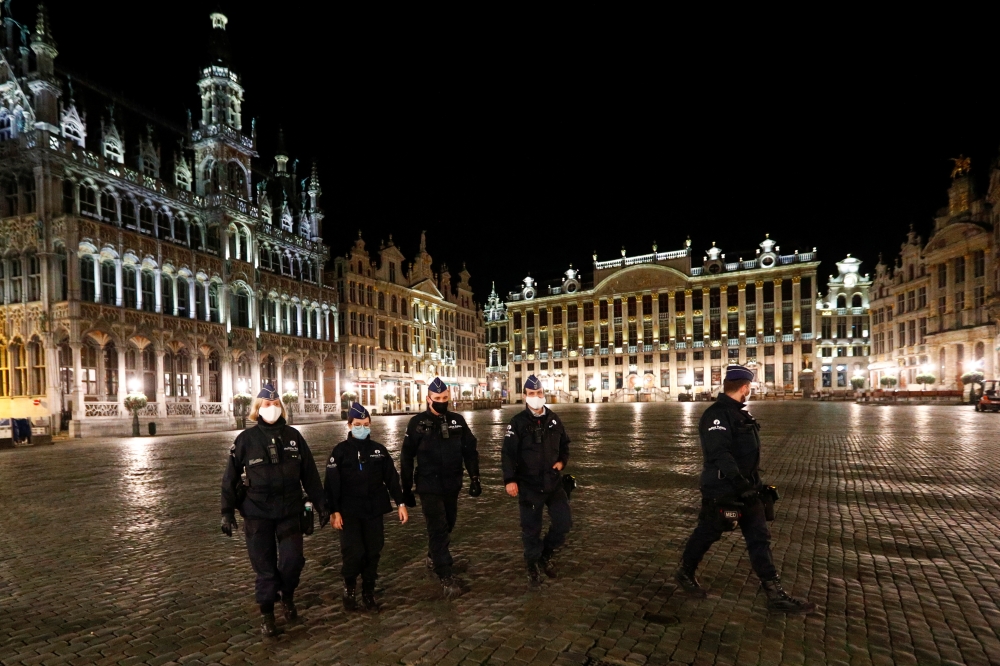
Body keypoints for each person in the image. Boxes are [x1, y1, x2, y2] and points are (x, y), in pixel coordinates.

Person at [675, 366, 816, 613]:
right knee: (708, 532)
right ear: (744, 387)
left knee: (759, 539)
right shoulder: (716, 416)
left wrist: (756, 487)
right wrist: (740, 484)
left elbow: (747, 456)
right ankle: (685, 571)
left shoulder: (739, 414)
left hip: (748, 489)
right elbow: (720, 453)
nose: (749, 391)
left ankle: (775, 594)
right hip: (722, 489)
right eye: (749, 388)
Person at [220, 383, 328, 637]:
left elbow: (309, 474)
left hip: (290, 509)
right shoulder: (245, 439)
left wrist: (322, 504)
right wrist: (226, 512)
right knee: (265, 567)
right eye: (267, 405)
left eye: (276, 404)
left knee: (293, 561)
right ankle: (267, 613)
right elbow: (230, 478)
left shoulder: (293, 437)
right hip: (257, 512)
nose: (272, 408)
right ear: (257, 409)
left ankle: (287, 595)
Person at [401, 377, 481, 598]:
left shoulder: (457, 421)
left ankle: (433, 554)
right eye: (437, 399)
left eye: (445, 398)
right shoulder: (417, 423)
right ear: (428, 399)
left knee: (449, 523)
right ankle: (445, 573)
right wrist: (405, 489)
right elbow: (407, 457)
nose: (442, 402)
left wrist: (475, 477)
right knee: (437, 527)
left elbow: (470, 450)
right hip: (428, 484)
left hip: (452, 483)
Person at [325, 402, 408, 612]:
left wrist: (400, 502)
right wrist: (333, 511)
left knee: (373, 551)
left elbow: (392, 478)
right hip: (349, 511)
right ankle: (350, 585)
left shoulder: (378, 450)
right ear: (350, 425)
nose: (362, 427)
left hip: (373, 509)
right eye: (358, 424)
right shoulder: (340, 452)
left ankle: (368, 591)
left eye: (365, 424)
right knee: (353, 552)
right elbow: (331, 484)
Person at [501, 374, 572, 587]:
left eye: (539, 393)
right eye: (531, 394)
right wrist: (509, 480)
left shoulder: (553, 419)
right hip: (529, 484)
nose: (536, 397)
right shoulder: (518, 423)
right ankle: (532, 564)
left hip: (553, 482)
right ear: (525, 396)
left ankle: (546, 553)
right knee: (531, 528)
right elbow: (507, 454)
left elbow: (565, 444)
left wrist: (562, 461)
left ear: (543, 394)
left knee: (563, 522)